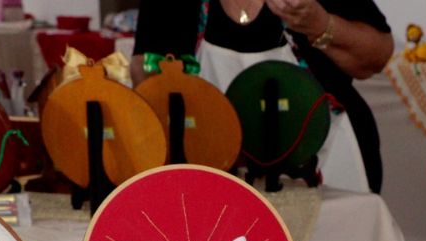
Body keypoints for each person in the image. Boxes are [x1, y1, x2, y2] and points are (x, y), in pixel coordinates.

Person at [134, 0, 393, 193]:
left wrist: (321, 25)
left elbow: (376, 56)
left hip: (327, 169)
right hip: (212, 176)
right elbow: (144, 70)